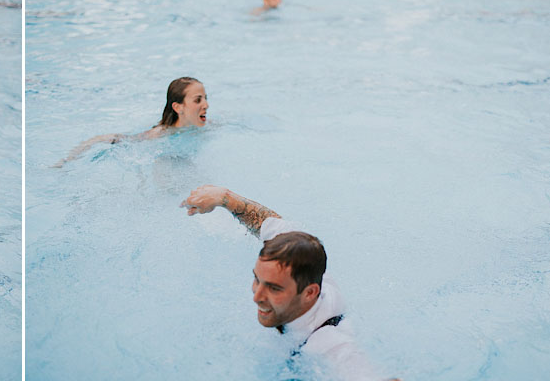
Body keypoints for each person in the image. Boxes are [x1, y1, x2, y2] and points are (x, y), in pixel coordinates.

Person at [181, 185, 400, 381]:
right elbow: (265, 221)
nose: (257, 296)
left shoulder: (328, 343)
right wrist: (223, 198)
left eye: (274, 288)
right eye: (257, 279)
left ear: (309, 293)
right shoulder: (299, 256)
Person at [53, 76, 209, 168]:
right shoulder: (160, 134)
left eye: (205, 98)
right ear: (178, 107)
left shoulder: (205, 127)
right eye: (198, 100)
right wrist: (67, 160)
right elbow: (115, 139)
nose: (206, 105)